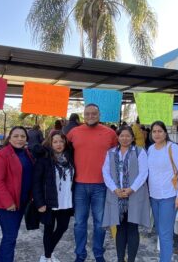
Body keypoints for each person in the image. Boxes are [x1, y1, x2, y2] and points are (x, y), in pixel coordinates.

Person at [67, 103, 118, 262]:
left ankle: (98, 254)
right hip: (79, 185)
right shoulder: (74, 132)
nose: (90, 116)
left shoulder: (110, 133)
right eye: (87, 113)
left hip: (101, 186)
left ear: (99, 115)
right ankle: (80, 255)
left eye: (94, 113)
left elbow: (118, 156)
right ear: (83, 115)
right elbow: (60, 149)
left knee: (100, 224)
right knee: (79, 223)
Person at [102, 126, 150, 262]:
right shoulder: (111, 153)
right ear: (117, 137)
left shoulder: (140, 152)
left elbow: (143, 173)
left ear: (133, 138)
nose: (125, 138)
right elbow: (105, 172)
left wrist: (131, 189)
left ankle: (131, 260)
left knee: (133, 228)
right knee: (120, 228)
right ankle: (120, 259)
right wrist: (115, 189)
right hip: (116, 195)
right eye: (122, 135)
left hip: (134, 195)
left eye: (128, 136)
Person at [0, 126, 34, 262]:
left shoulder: (27, 153)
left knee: (12, 236)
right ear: (9, 138)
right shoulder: (1, 154)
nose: (19, 139)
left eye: (22, 136)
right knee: (10, 237)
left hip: (22, 201)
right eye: (16, 136)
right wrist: (8, 202)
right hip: (7, 205)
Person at [147, 121, 178, 262]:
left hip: (169, 197)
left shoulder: (173, 148)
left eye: (160, 131)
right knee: (160, 231)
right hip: (154, 196)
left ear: (165, 133)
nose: (157, 134)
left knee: (165, 234)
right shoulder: (151, 149)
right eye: (154, 131)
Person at [33, 131, 75, 262]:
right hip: (50, 201)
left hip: (66, 201)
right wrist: (40, 203)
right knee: (48, 230)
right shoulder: (44, 159)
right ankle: (47, 257)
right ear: (50, 143)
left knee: (63, 227)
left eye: (61, 141)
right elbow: (36, 182)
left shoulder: (70, 157)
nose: (58, 144)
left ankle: (47, 254)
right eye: (55, 142)